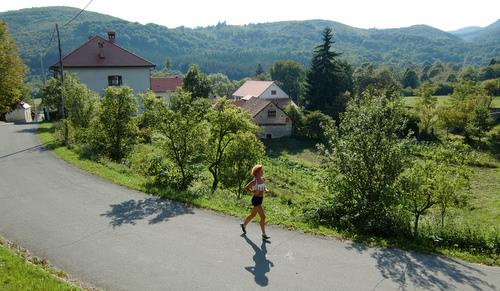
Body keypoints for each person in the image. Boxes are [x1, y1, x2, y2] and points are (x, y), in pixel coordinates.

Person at [240, 164, 270, 240]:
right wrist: (253, 191)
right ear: (256, 172)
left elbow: (263, 186)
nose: (262, 172)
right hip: (256, 200)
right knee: (263, 217)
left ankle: (243, 225)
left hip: (260, 199)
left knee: (252, 215)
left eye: (262, 170)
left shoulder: (262, 179)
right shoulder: (254, 181)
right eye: (261, 171)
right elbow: (246, 188)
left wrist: (265, 190)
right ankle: (263, 234)